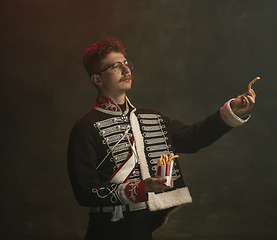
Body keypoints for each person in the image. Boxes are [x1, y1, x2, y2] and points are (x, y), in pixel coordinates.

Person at [67, 37, 256, 240]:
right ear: (97, 79)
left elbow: (193, 138)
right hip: (106, 229)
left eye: (126, 63)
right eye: (115, 66)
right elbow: (85, 192)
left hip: (143, 225)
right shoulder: (85, 127)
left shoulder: (152, 118)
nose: (126, 70)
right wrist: (142, 188)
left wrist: (229, 112)